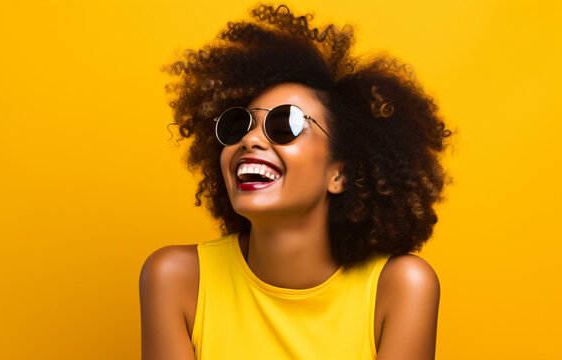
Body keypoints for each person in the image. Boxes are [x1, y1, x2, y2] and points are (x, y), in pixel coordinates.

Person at [140, 3, 453, 359]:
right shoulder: (177, 280)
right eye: (237, 125)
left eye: (284, 125)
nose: (250, 140)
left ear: (340, 173)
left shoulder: (399, 287)